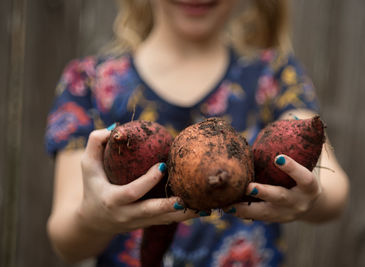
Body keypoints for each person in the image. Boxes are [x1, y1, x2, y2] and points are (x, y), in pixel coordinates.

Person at [45, 0, 349, 266]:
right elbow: (66, 242)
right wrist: (94, 219)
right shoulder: (89, 82)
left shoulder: (276, 74)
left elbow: (335, 191)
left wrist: (312, 197)